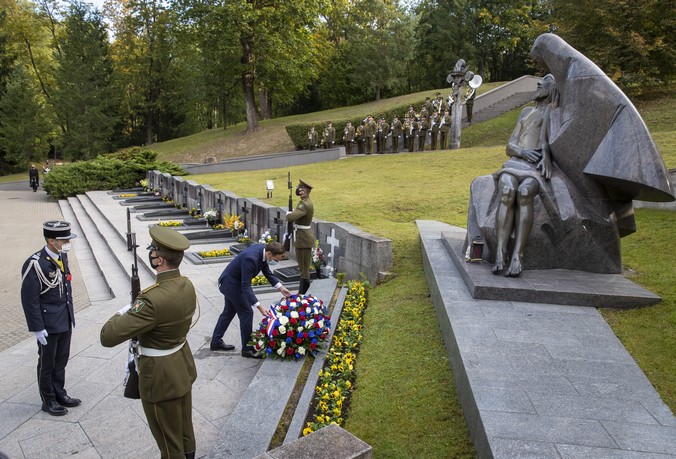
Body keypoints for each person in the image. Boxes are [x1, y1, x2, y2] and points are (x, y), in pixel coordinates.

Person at [100, 227, 198, 459]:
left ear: (160, 259)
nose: (151, 253)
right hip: (182, 366)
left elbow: (108, 337)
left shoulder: (151, 299)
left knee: (168, 441)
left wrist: (123, 311)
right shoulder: (186, 284)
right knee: (185, 430)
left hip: (160, 377)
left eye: (153, 250)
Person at [491, 74, 556, 277]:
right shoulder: (525, 112)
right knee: (508, 191)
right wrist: (522, 152)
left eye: (543, 82)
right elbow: (510, 145)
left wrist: (545, 157)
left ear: (552, 88)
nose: (538, 84)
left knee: (525, 192)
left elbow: (547, 140)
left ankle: (518, 255)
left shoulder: (553, 112)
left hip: (534, 168)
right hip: (515, 163)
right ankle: (501, 253)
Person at [21, 221, 80, 416]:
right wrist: (37, 328)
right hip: (48, 323)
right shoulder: (35, 263)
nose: (67, 243)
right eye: (64, 240)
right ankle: (48, 399)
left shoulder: (62, 256)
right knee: (47, 363)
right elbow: (30, 299)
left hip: (64, 318)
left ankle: (60, 392)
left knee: (61, 360)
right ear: (51, 241)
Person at [210, 241, 291, 357]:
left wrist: (281, 288)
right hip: (231, 285)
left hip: (231, 282)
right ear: (269, 254)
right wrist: (259, 306)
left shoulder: (264, 251)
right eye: (276, 260)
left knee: (228, 312)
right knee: (247, 312)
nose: (276, 262)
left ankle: (216, 342)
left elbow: (267, 271)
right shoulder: (251, 259)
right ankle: (247, 349)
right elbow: (245, 285)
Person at [286, 178, 315, 294]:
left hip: (303, 239)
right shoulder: (304, 202)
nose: (298, 189)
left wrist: (289, 214)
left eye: (300, 188)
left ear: (305, 190)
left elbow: (291, 217)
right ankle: (302, 292)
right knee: (303, 268)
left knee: (304, 269)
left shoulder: (305, 204)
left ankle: (303, 294)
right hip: (301, 237)